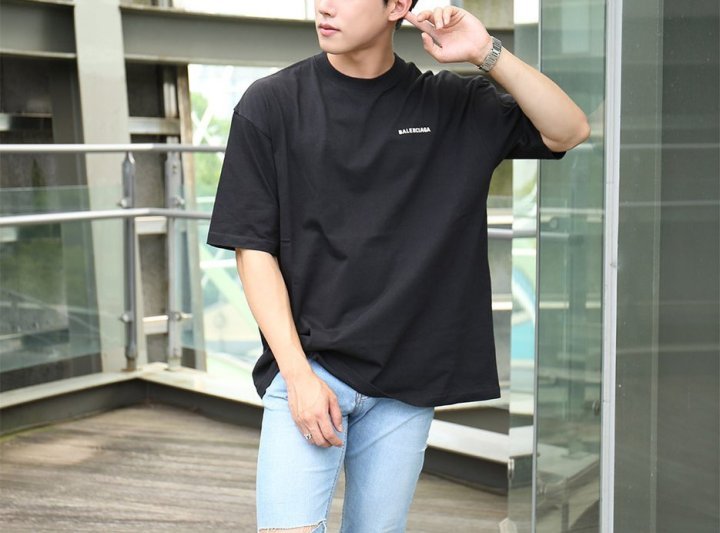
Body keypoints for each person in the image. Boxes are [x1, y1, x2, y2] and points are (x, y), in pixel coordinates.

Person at [206, 1, 589, 531]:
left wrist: (485, 51)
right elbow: (253, 250)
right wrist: (296, 376)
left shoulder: (449, 104)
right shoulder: (271, 103)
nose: (324, 6)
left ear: (397, 6)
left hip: (406, 383)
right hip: (311, 366)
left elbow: (568, 130)